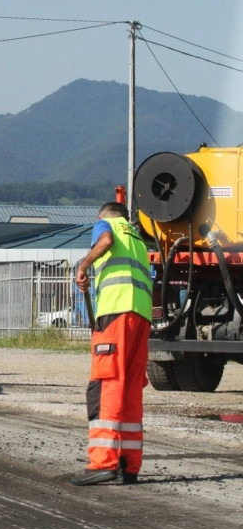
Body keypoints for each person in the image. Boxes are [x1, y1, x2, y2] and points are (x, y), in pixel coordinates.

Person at [71, 201, 152, 486]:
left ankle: (103, 463)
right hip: (140, 317)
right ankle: (130, 465)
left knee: (105, 385)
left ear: (102, 215)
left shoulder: (106, 226)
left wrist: (83, 265)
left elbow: (104, 241)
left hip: (115, 314)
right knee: (130, 389)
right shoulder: (137, 238)